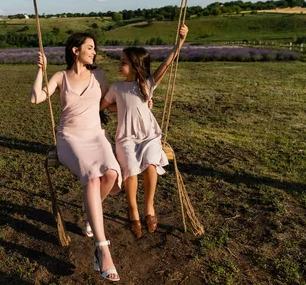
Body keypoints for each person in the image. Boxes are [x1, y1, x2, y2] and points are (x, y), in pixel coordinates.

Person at [30, 32, 121, 282]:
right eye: (90, 48)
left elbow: (106, 103)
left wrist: (134, 103)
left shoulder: (98, 75)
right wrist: (41, 70)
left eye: (95, 48)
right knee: (92, 179)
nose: (94, 52)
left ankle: (89, 211)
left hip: (95, 135)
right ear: (75, 50)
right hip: (70, 137)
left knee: (111, 174)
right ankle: (103, 250)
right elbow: (36, 98)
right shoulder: (60, 76)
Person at [100, 24, 188, 238]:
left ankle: (149, 207)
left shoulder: (146, 84)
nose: (119, 66)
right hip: (126, 137)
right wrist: (115, 108)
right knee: (129, 168)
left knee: (150, 163)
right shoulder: (117, 88)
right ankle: (133, 209)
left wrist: (180, 43)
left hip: (148, 135)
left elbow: (166, 66)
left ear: (136, 65)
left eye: (123, 63)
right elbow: (102, 106)